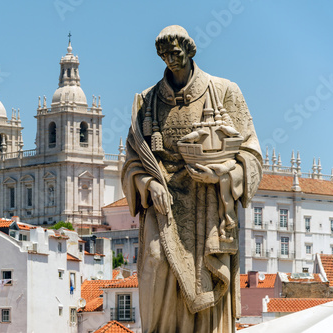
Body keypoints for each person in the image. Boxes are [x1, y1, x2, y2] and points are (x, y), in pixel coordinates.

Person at [121, 25, 262, 333]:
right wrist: (147, 183)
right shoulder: (147, 100)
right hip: (163, 203)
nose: (170, 60)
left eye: (175, 53)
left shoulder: (224, 91)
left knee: (206, 278)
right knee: (155, 261)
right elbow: (132, 161)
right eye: (164, 55)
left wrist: (224, 175)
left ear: (189, 51)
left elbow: (251, 155)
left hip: (209, 203)